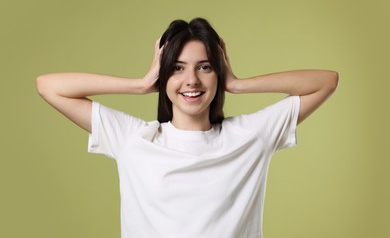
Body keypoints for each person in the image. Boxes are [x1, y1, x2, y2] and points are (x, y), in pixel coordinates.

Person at [36, 18, 338, 238]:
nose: (191, 80)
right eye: (177, 68)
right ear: (162, 75)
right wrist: (140, 84)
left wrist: (237, 83)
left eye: (204, 67)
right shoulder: (133, 138)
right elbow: (49, 86)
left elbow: (326, 81)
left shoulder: (251, 136)